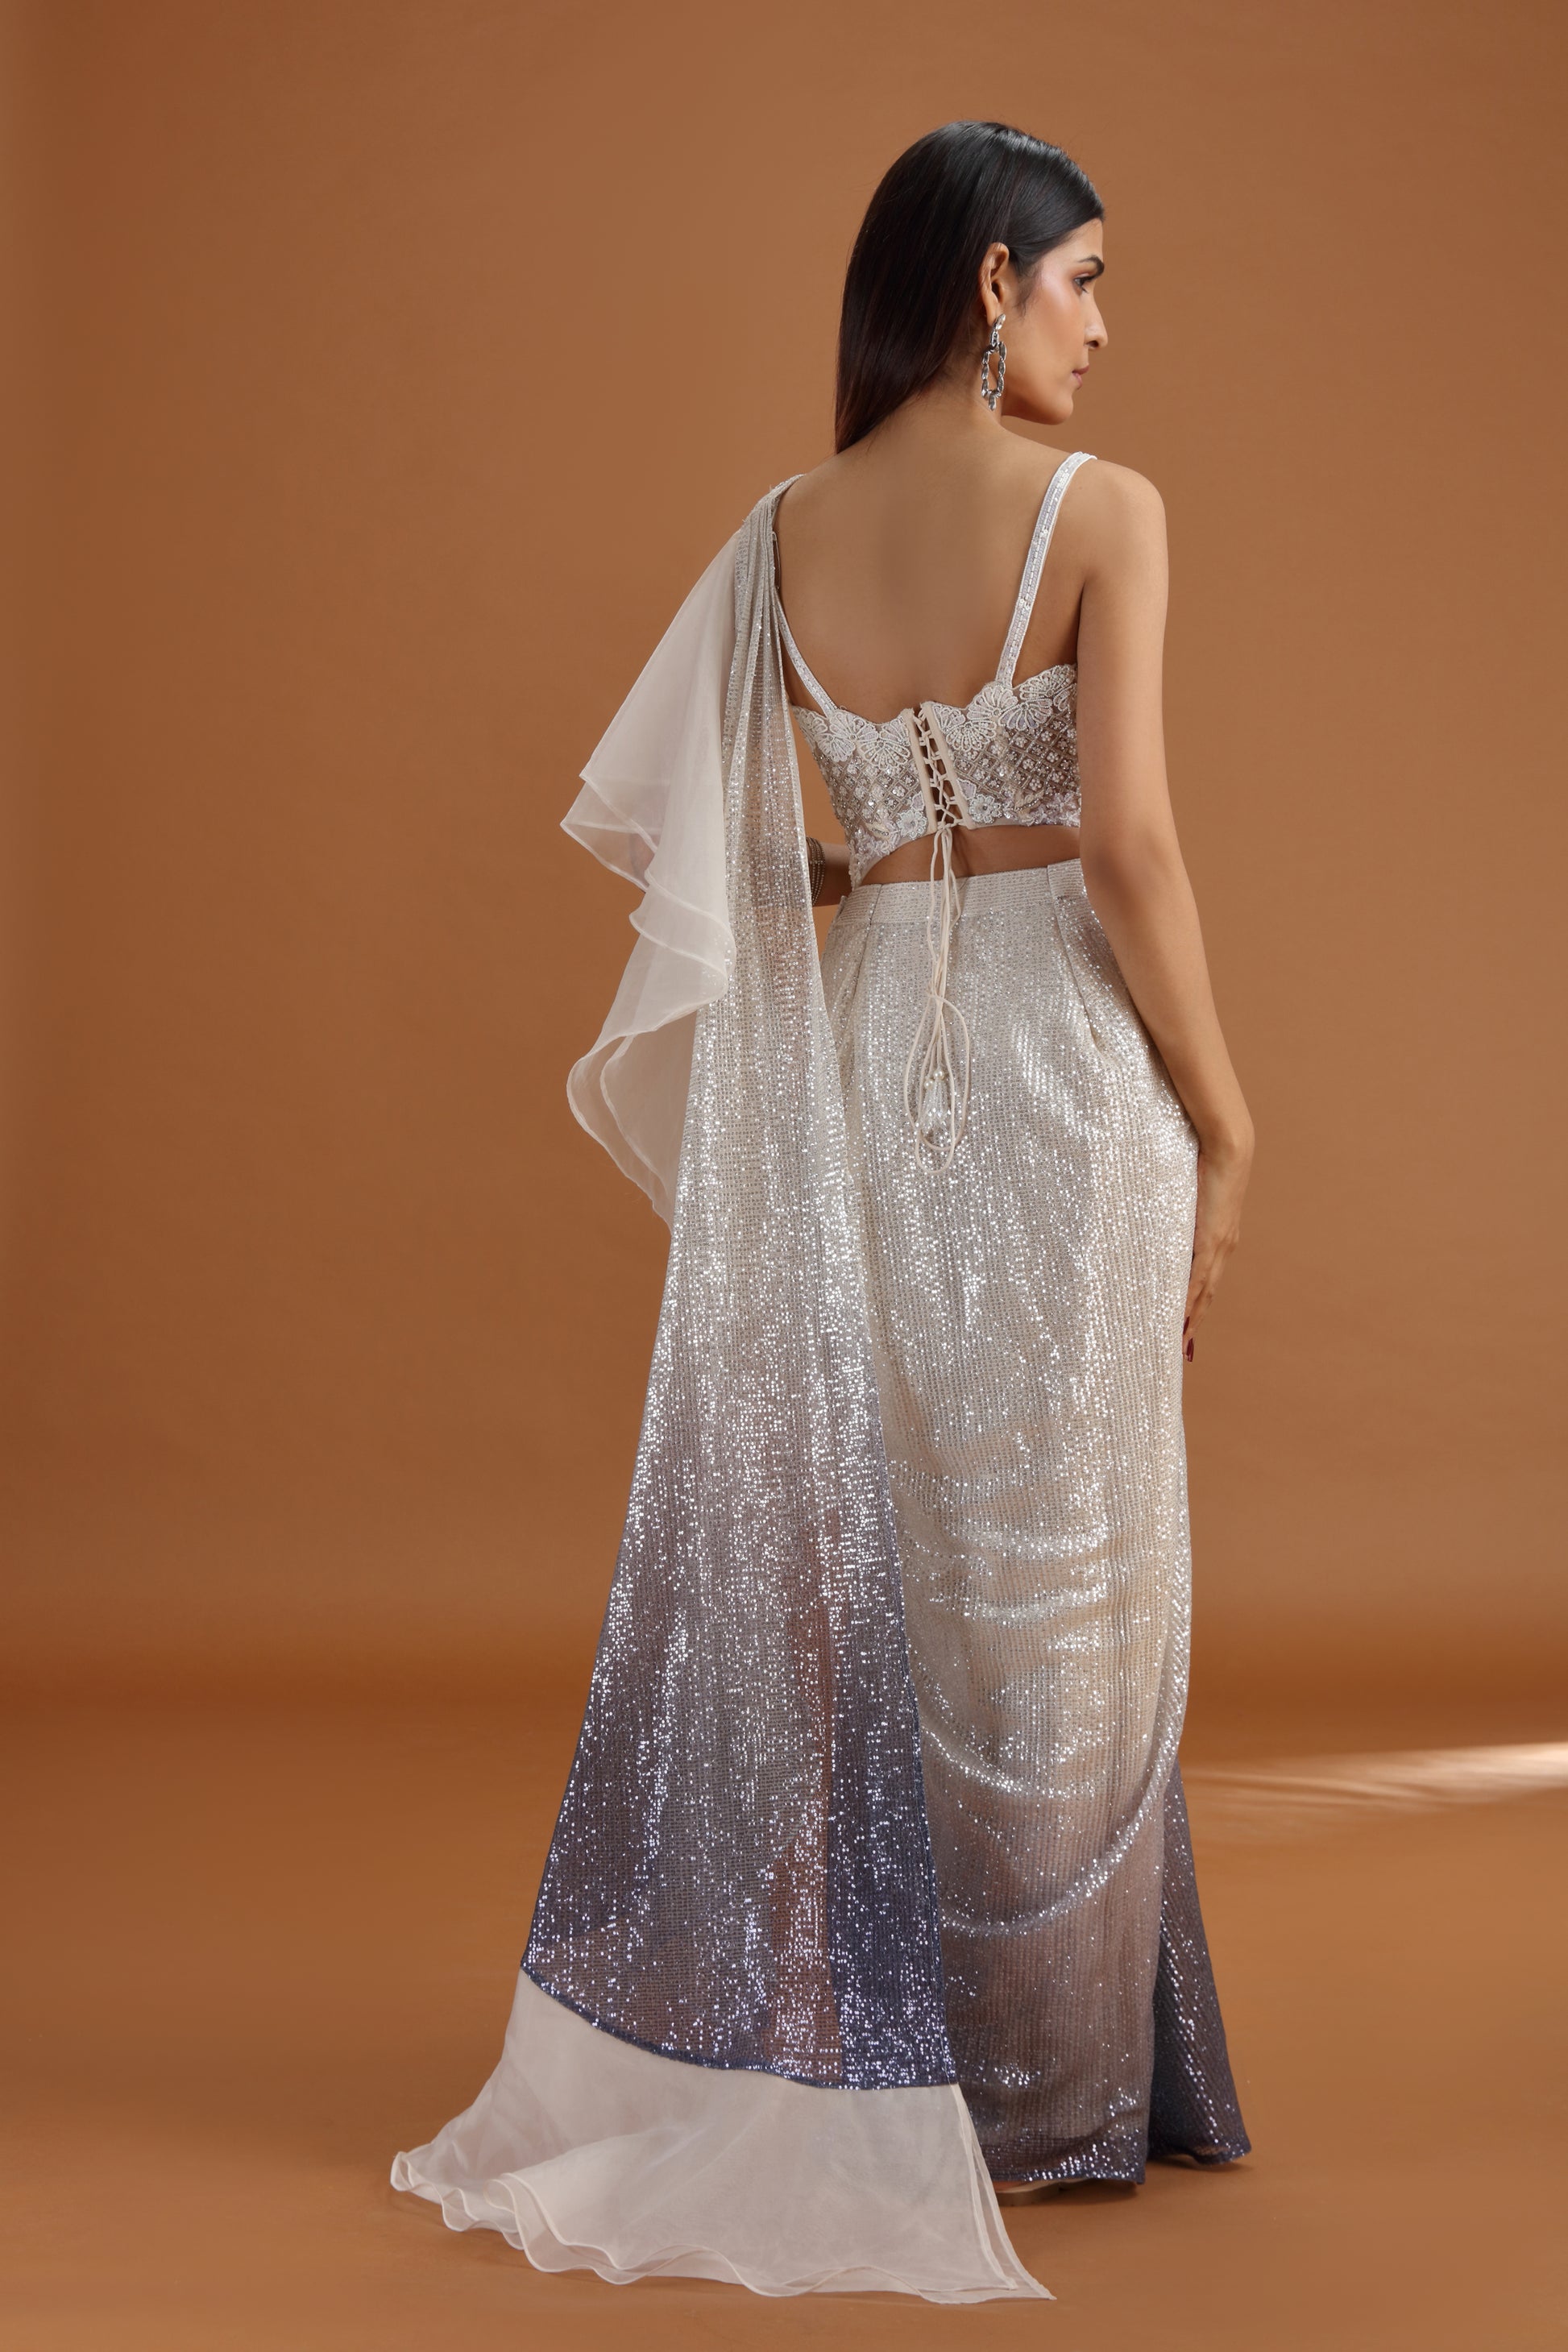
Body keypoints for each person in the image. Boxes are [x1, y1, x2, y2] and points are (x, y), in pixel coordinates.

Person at [392, 119, 1252, 2304]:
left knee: (899, 1565)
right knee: (1067, 1571)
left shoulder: (777, 534)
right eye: (1078, 282)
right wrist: (1228, 1124)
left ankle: (896, 2061)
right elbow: (1127, 852)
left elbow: (820, 873)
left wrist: (848, 912)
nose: (1099, 325)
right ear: (985, 286)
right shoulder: (1105, 510)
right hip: (1061, 1069)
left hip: (872, 1061)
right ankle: (1050, 2104)